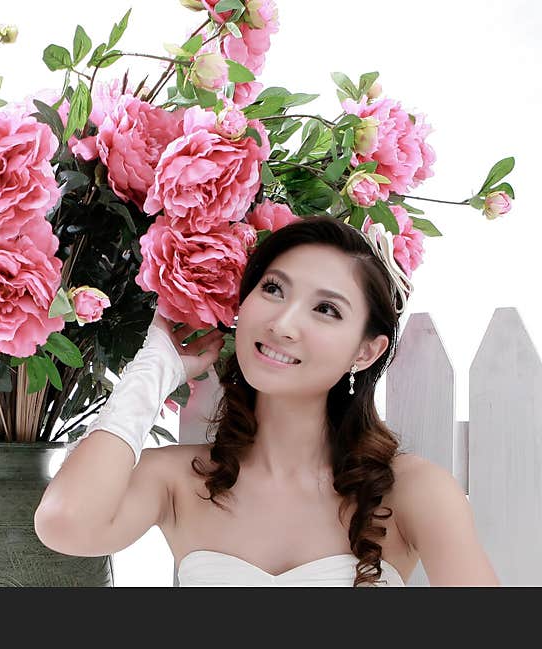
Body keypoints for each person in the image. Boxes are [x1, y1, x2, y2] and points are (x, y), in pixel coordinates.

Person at [34, 216, 499, 587]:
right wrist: (151, 373)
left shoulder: (413, 491)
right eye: (274, 289)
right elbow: (65, 525)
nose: (283, 323)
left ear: (365, 352)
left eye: (326, 309)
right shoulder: (176, 480)